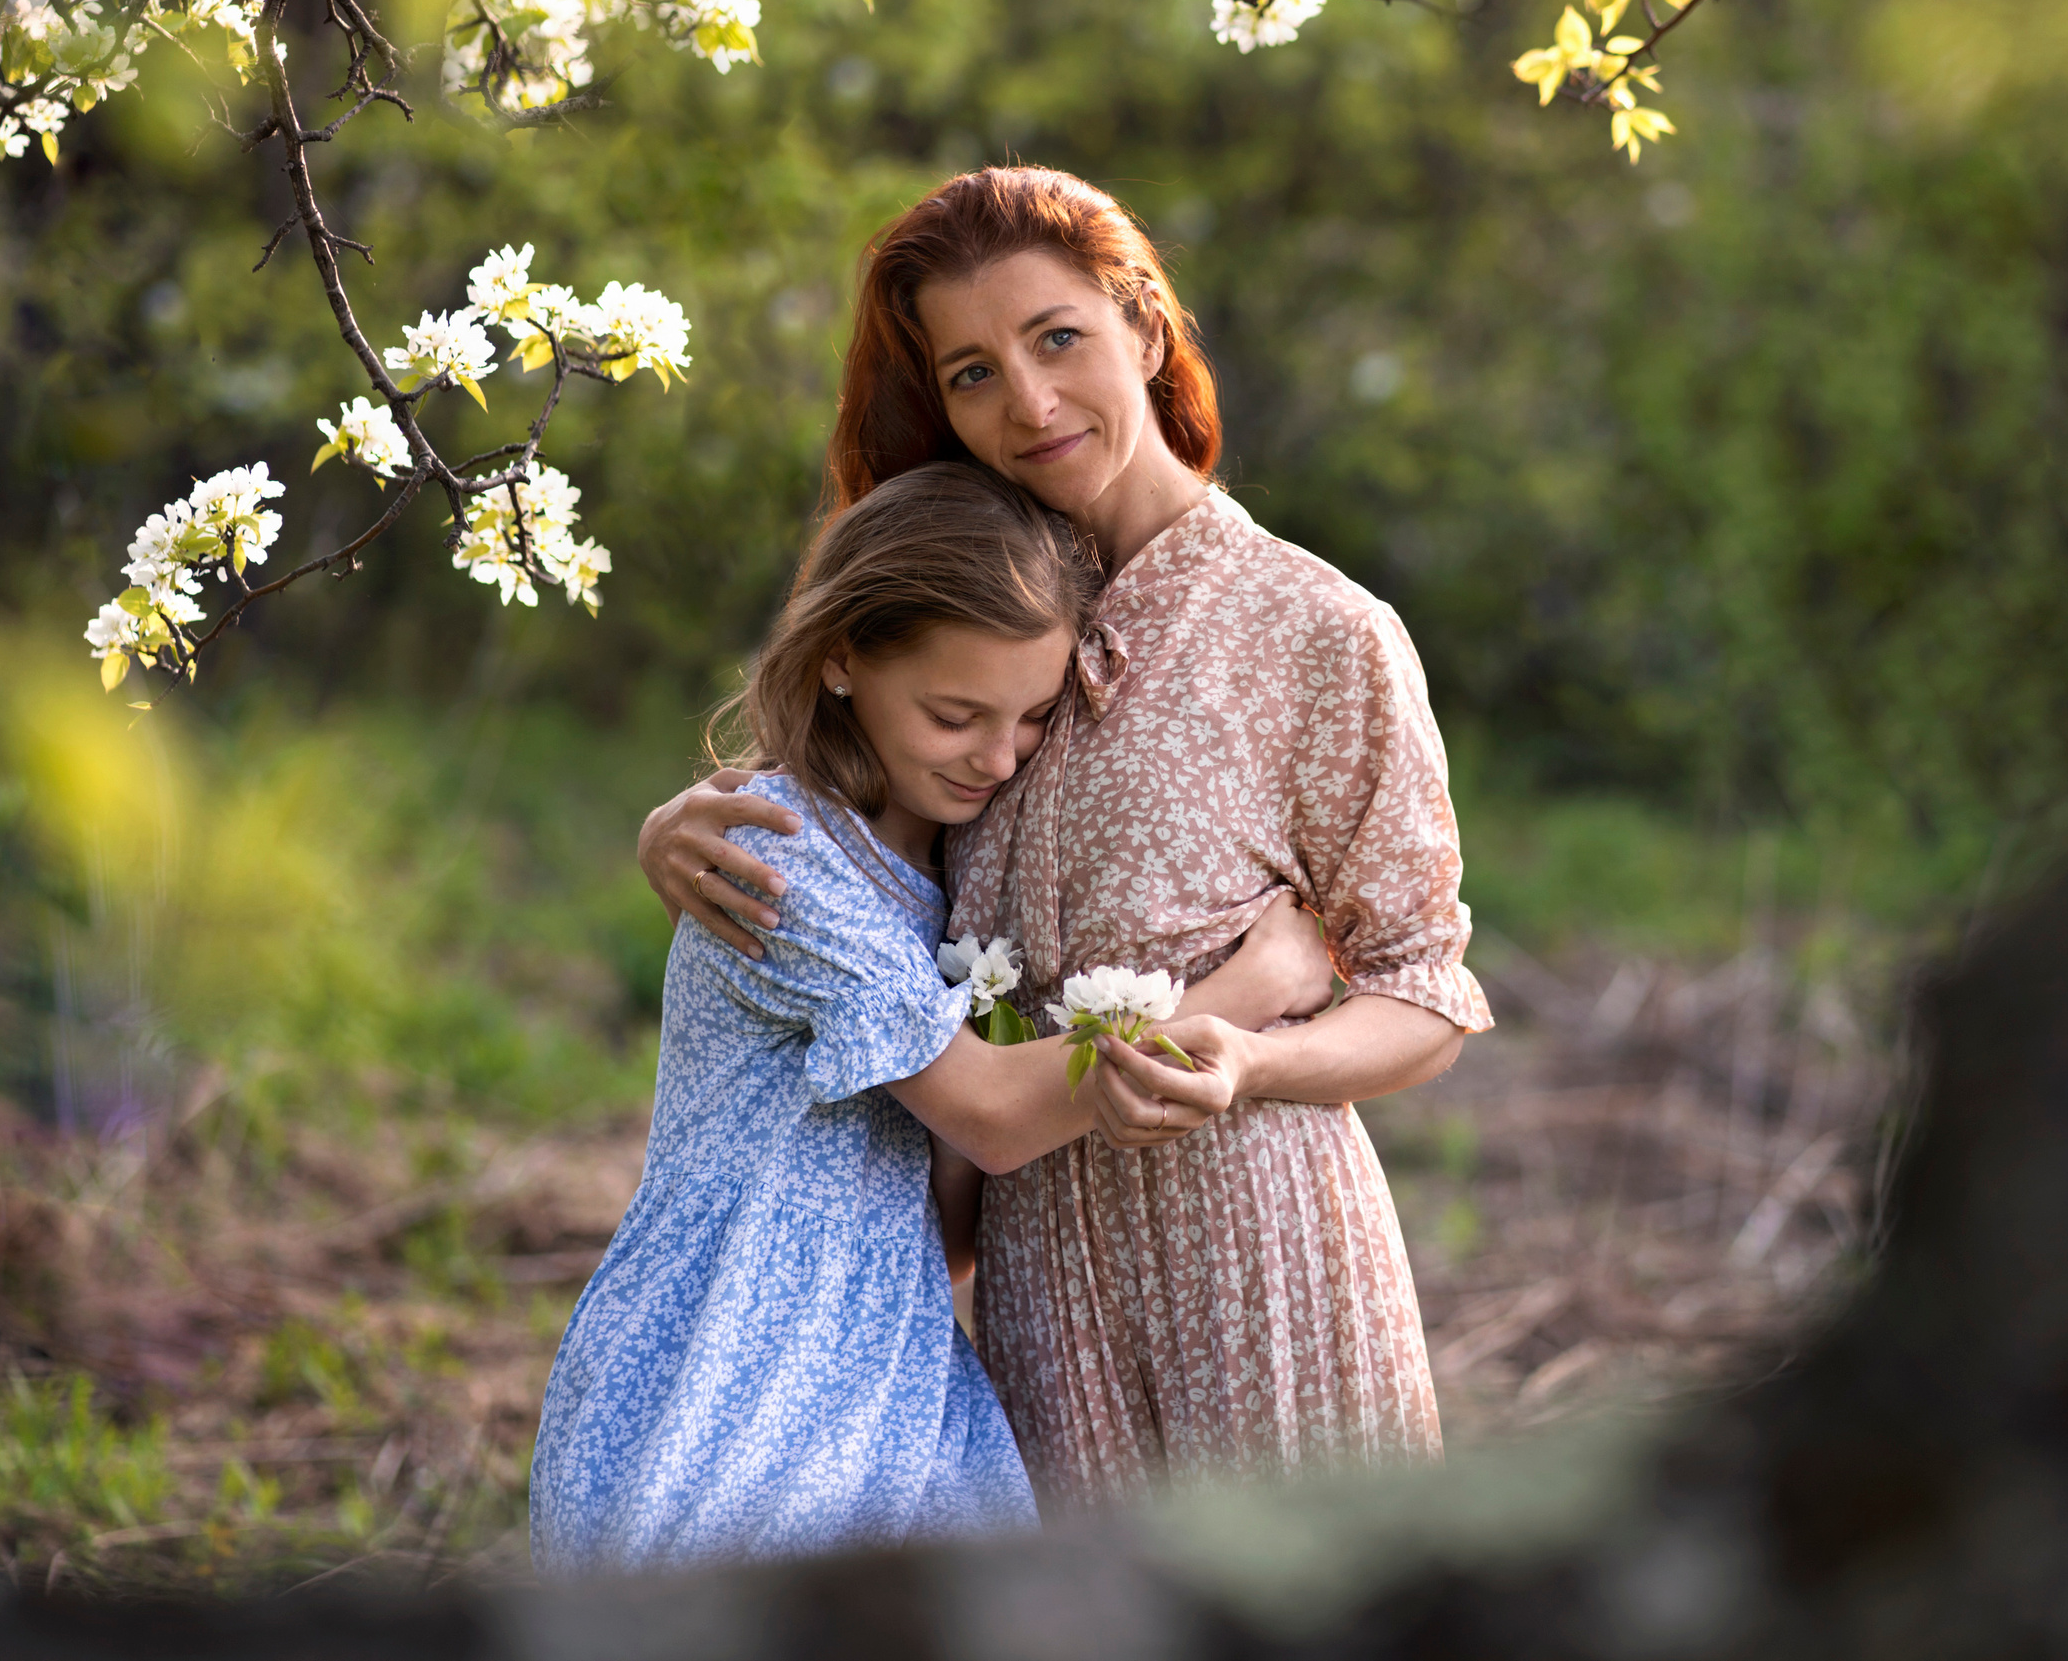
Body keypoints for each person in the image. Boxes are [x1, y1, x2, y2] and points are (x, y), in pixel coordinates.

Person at [640, 166, 1493, 1512]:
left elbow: (1424, 995)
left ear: (1143, 327)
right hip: (1039, 1278)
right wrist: (679, 821)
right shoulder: (977, 610)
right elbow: (850, 820)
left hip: (1256, 1249)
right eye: (973, 373)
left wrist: (1256, 1060)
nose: (1030, 404)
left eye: (1058, 339)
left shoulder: (1318, 633)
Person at [533, 464, 1333, 1573]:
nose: (997, 759)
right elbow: (993, 1115)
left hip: (885, 1365)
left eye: (1033, 718)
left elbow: (947, 1205)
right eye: (955, 716)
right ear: (841, 658)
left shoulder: (948, 879)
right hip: (734, 1371)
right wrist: (1248, 988)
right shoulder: (779, 852)